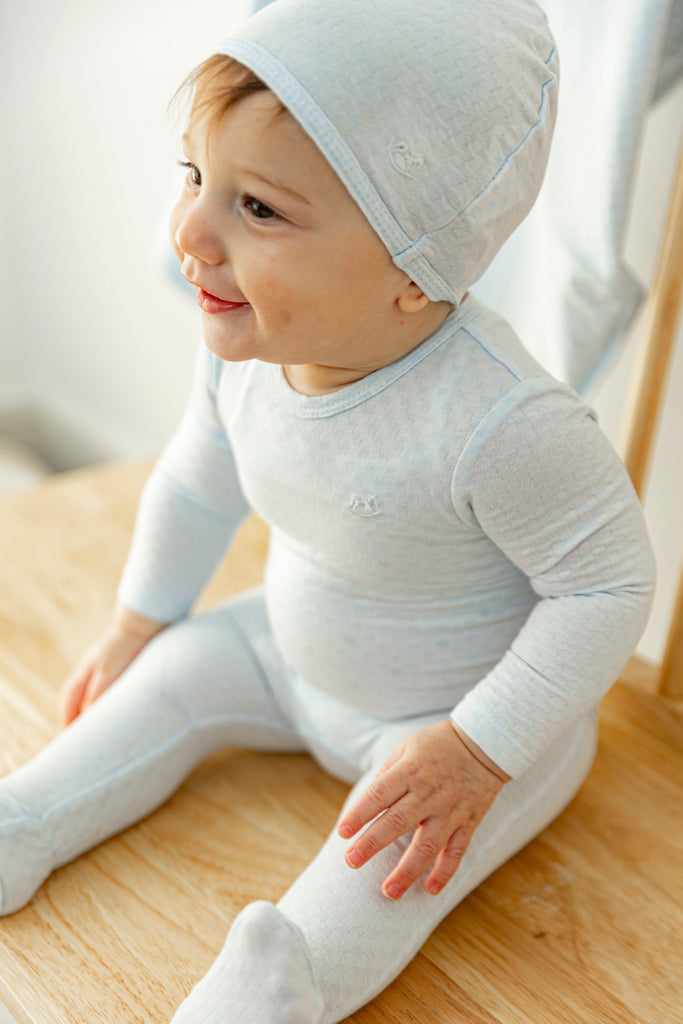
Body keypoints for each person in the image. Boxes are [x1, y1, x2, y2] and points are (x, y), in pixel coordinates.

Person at [0, 1, 655, 1021]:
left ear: (414, 267)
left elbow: (607, 583)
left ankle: (284, 975)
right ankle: (22, 819)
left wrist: (478, 747)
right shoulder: (245, 349)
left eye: (255, 209)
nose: (188, 231)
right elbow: (192, 478)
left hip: (451, 730)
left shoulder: (503, 418)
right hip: (286, 652)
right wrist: (139, 619)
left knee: (394, 863)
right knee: (172, 672)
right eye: (193, 177)